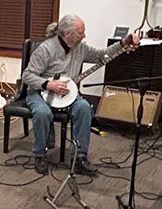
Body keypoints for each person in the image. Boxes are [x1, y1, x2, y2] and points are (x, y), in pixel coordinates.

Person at [21, 15, 139, 175]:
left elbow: (102, 55)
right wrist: (49, 84)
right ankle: (40, 154)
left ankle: (79, 158)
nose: (84, 36)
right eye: (80, 32)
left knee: (84, 107)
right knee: (42, 113)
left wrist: (123, 43)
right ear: (67, 34)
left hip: (68, 94)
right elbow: (27, 75)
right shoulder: (45, 49)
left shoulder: (81, 48)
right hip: (40, 91)